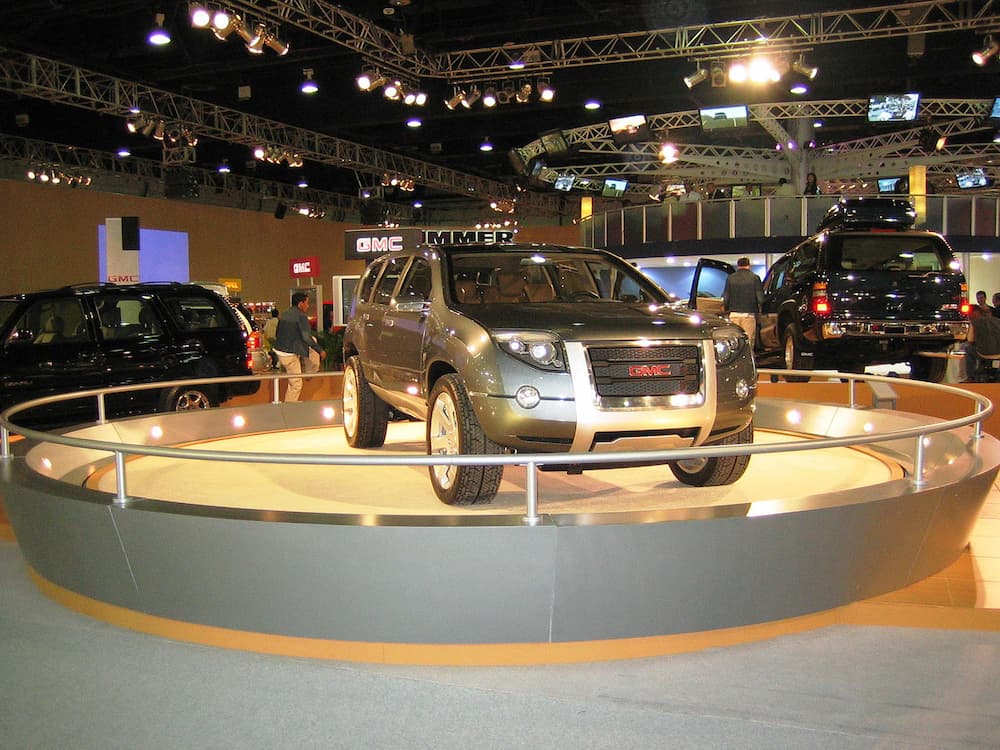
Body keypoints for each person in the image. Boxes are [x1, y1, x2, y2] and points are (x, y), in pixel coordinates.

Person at [272, 292, 326, 402]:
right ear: (301, 303)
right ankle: (290, 407)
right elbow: (306, 338)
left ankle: (310, 371)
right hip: (289, 354)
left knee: (313, 341)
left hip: (280, 350)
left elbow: (277, 334)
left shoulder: (285, 314)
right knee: (296, 384)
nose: (308, 306)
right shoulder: (301, 316)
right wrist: (320, 351)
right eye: (307, 303)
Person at [722, 257, 764, 348]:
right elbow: (760, 298)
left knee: (734, 342)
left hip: (733, 315)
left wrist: (726, 310)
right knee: (748, 342)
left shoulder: (730, 278)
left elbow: (726, 298)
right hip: (748, 315)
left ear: (738, 265)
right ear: (749, 265)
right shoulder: (755, 278)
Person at [965, 304, 1000, 381]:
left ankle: (971, 376)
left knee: (968, 349)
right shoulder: (998, 321)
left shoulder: (974, 323)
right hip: (999, 353)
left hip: (982, 353)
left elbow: (970, 339)